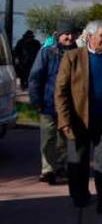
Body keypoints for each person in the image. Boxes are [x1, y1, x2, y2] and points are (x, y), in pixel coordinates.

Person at [55, 20, 102, 213]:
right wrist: (65, 121)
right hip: (78, 121)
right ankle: (80, 196)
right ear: (89, 36)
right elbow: (61, 91)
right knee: (78, 162)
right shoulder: (72, 57)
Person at [28, 21, 78, 185]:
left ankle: (62, 166)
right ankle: (48, 169)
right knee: (48, 138)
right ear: (58, 35)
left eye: (72, 34)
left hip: (69, 105)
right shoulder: (47, 52)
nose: (69, 37)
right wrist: (36, 100)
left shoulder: (78, 53)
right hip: (48, 103)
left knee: (65, 137)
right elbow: (35, 77)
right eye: (66, 34)